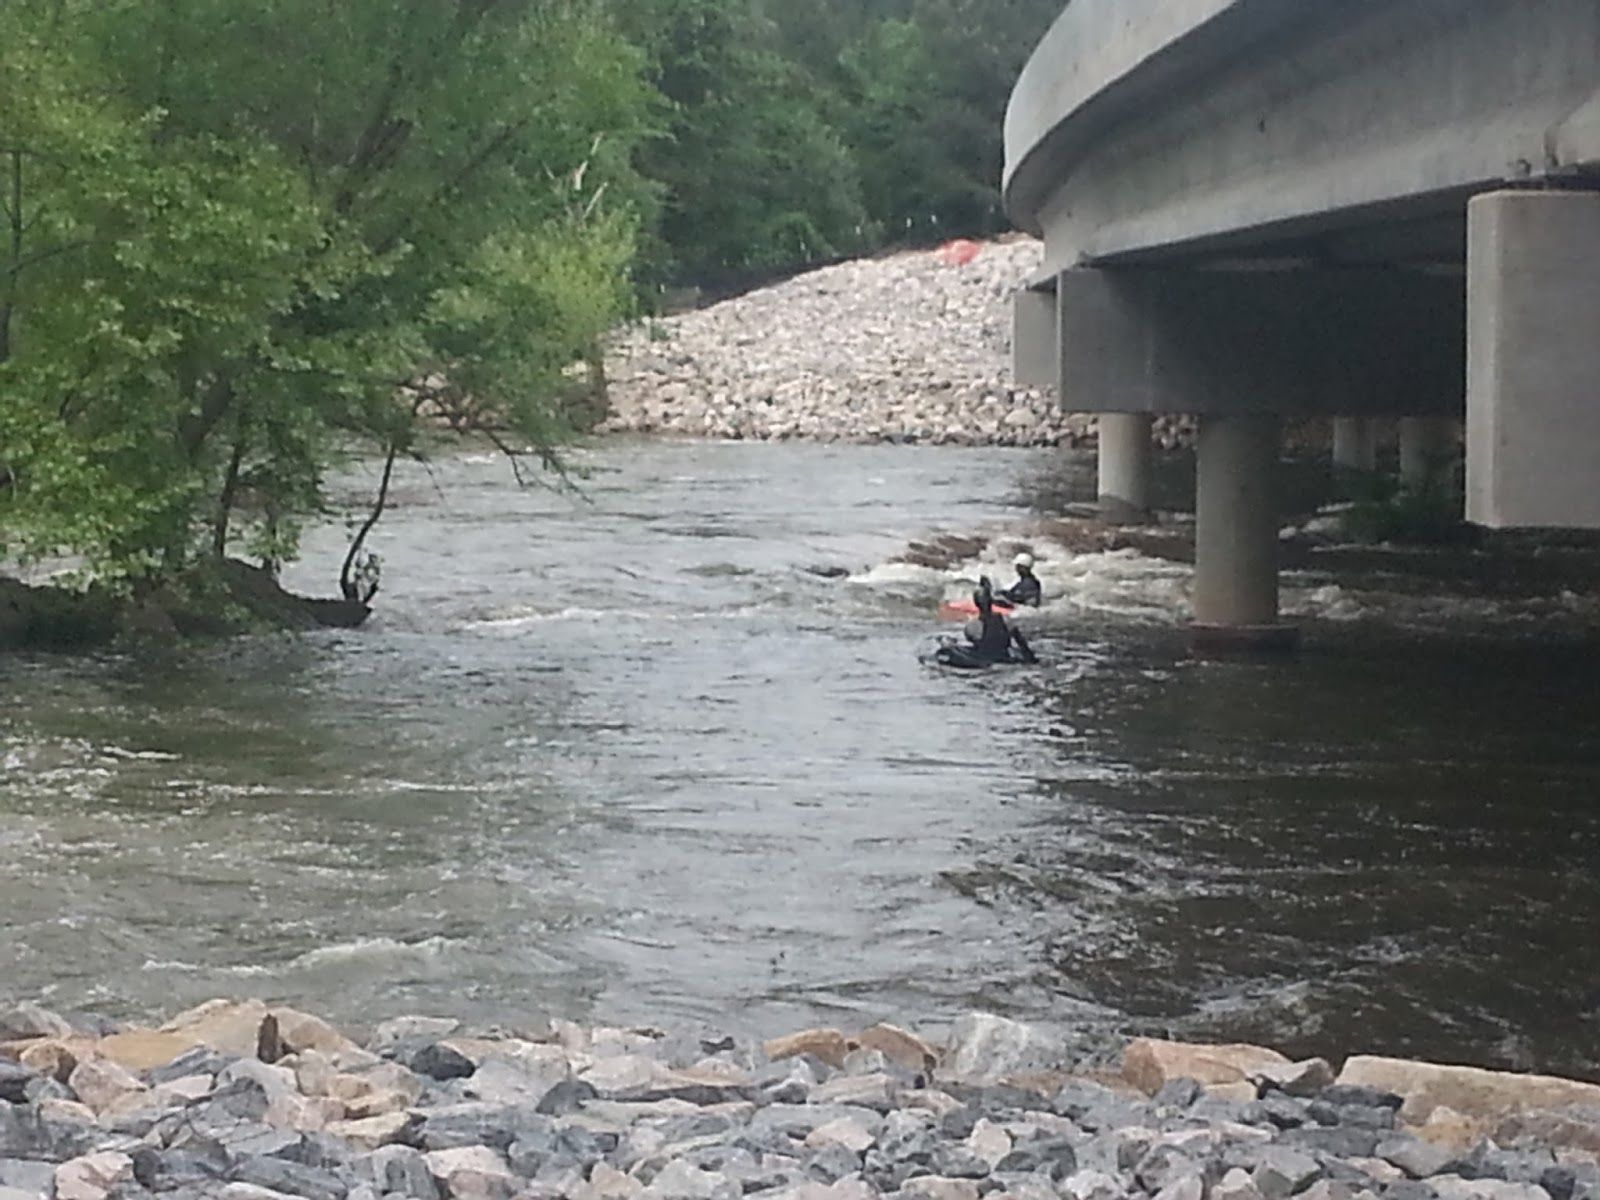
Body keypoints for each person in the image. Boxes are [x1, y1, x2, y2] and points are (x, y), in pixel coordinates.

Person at [963, 581, 1038, 664]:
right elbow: (1021, 643)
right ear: (991, 600)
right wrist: (1032, 660)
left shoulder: (972, 626)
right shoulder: (1006, 620)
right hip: (1005, 659)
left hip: (986, 661)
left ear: (976, 604)